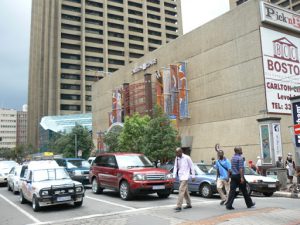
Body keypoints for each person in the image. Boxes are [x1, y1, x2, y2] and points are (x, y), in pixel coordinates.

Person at [225, 146, 255, 210]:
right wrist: (241, 177)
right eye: (241, 150)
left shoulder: (232, 158)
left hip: (233, 176)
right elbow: (241, 169)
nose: (242, 151)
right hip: (239, 176)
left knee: (232, 191)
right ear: (238, 151)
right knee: (244, 191)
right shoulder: (240, 158)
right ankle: (249, 204)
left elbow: (231, 168)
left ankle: (229, 205)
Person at [173, 147, 195, 212]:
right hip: (180, 176)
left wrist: (193, 176)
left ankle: (179, 206)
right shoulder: (176, 158)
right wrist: (174, 176)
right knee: (184, 191)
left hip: (185, 176)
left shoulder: (187, 157)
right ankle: (189, 204)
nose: (176, 154)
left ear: (181, 152)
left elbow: (192, 166)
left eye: (177, 153)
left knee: (181, 189)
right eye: (176, 153)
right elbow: (175, 167)